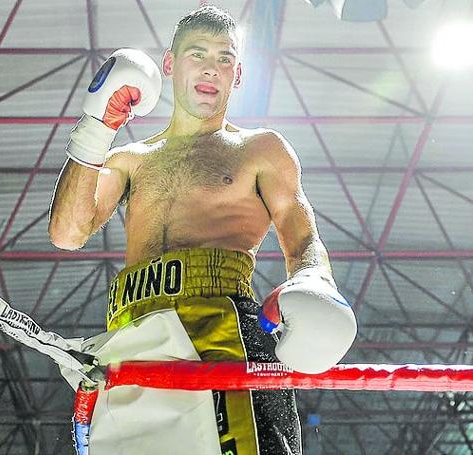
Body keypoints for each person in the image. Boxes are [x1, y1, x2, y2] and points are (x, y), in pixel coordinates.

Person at [48, 5, 356, 455]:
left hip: (222, 329)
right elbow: (67, 233)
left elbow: (302, 235)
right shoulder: (129, 159)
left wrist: (315, 280)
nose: (211, 67)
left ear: (238, 75)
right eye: (198, 54)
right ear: (170, 63)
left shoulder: (259, 148)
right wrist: (97, 128)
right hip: (130, 337)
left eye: (225, 58)